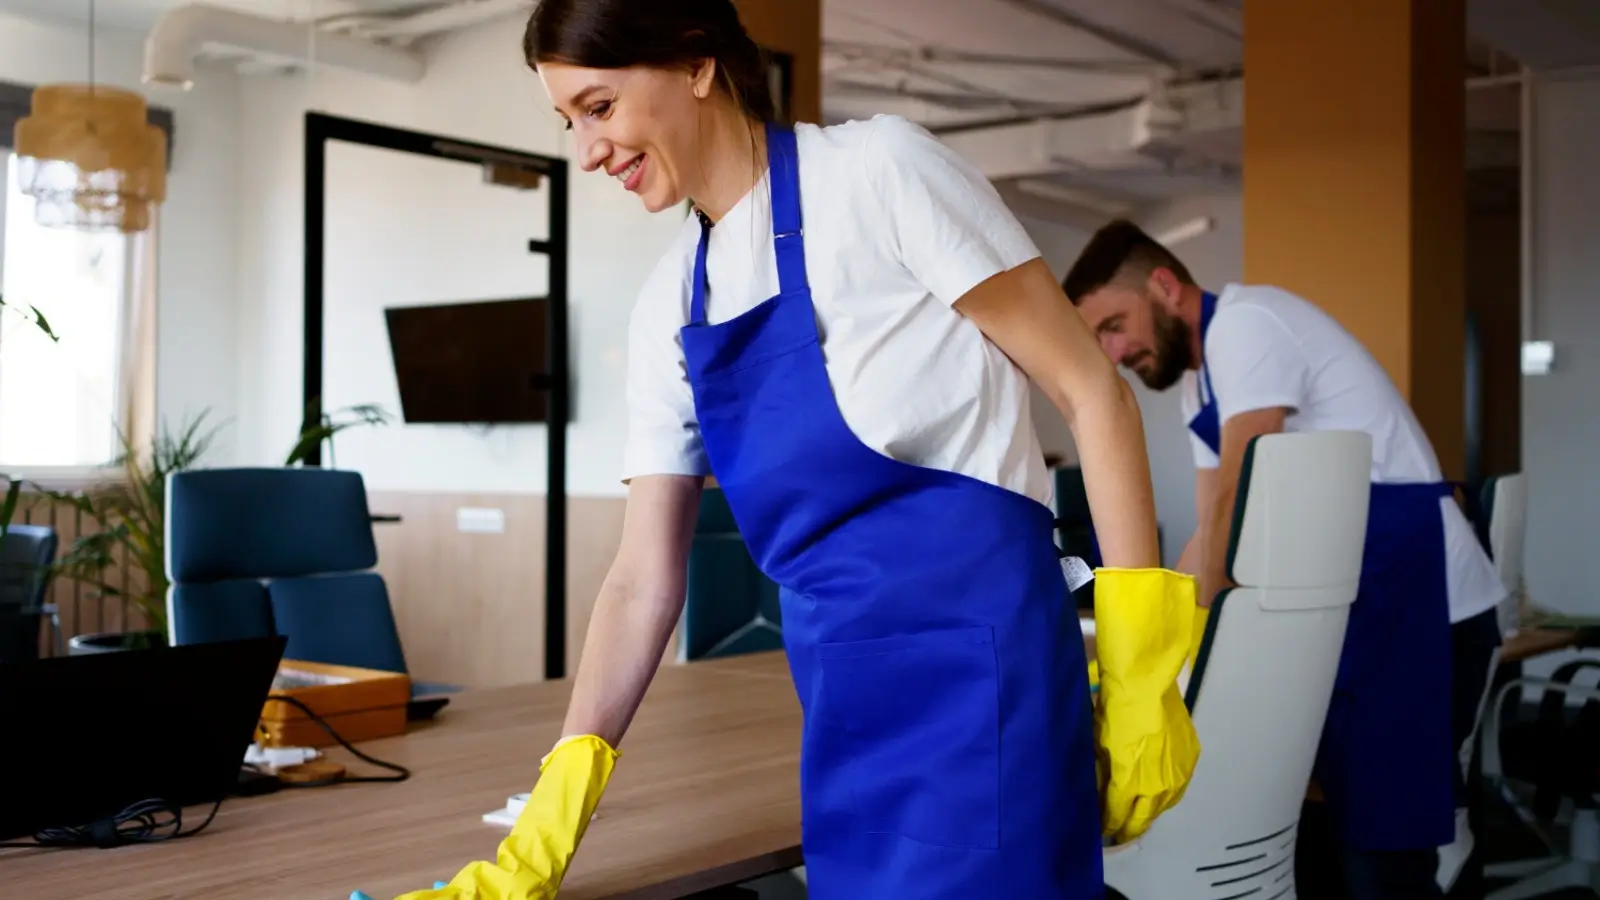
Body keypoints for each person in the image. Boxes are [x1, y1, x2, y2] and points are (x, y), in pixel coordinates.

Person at [350, 3, 1202, 899]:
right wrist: (543, 834)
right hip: (841, 710)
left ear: (695, 62)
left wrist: (1144, 673)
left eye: (599, 108)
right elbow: (643, 580)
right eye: (570, 123)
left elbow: (1091, 391)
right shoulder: (669, 307)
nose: (587, 151)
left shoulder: (880, 174)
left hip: (989, 688)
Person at [1061, 219, 1508, 900]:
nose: (1115, 352)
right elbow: (1206, 532)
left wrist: (1202, 636)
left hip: (1419, 594)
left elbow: (1235, 494)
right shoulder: (1198, 384)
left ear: (1163, 285)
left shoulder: (1247, 325)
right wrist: (1172, 629)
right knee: (1336, 830)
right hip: (1358, 601)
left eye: (1113, 325)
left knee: (1386, 847)